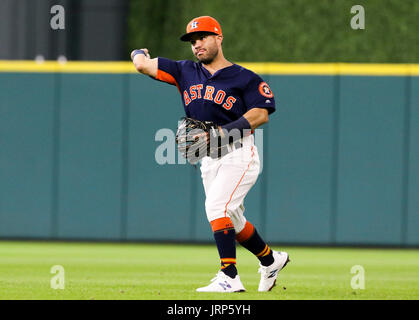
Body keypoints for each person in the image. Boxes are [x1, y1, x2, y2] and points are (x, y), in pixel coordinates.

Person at [130, 16, 289, 292]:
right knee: (234, 219)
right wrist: (137, 52)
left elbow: (260, 114)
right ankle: (271, 259)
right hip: (208, 158)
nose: (197, 44)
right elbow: (142, 64)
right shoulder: (184, 71)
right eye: (193, 41)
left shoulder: (245, 78)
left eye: (202, 37)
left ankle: (229, 276)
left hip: (239, 153)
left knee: (216, 207)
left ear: (219, 38)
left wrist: (220, 133)